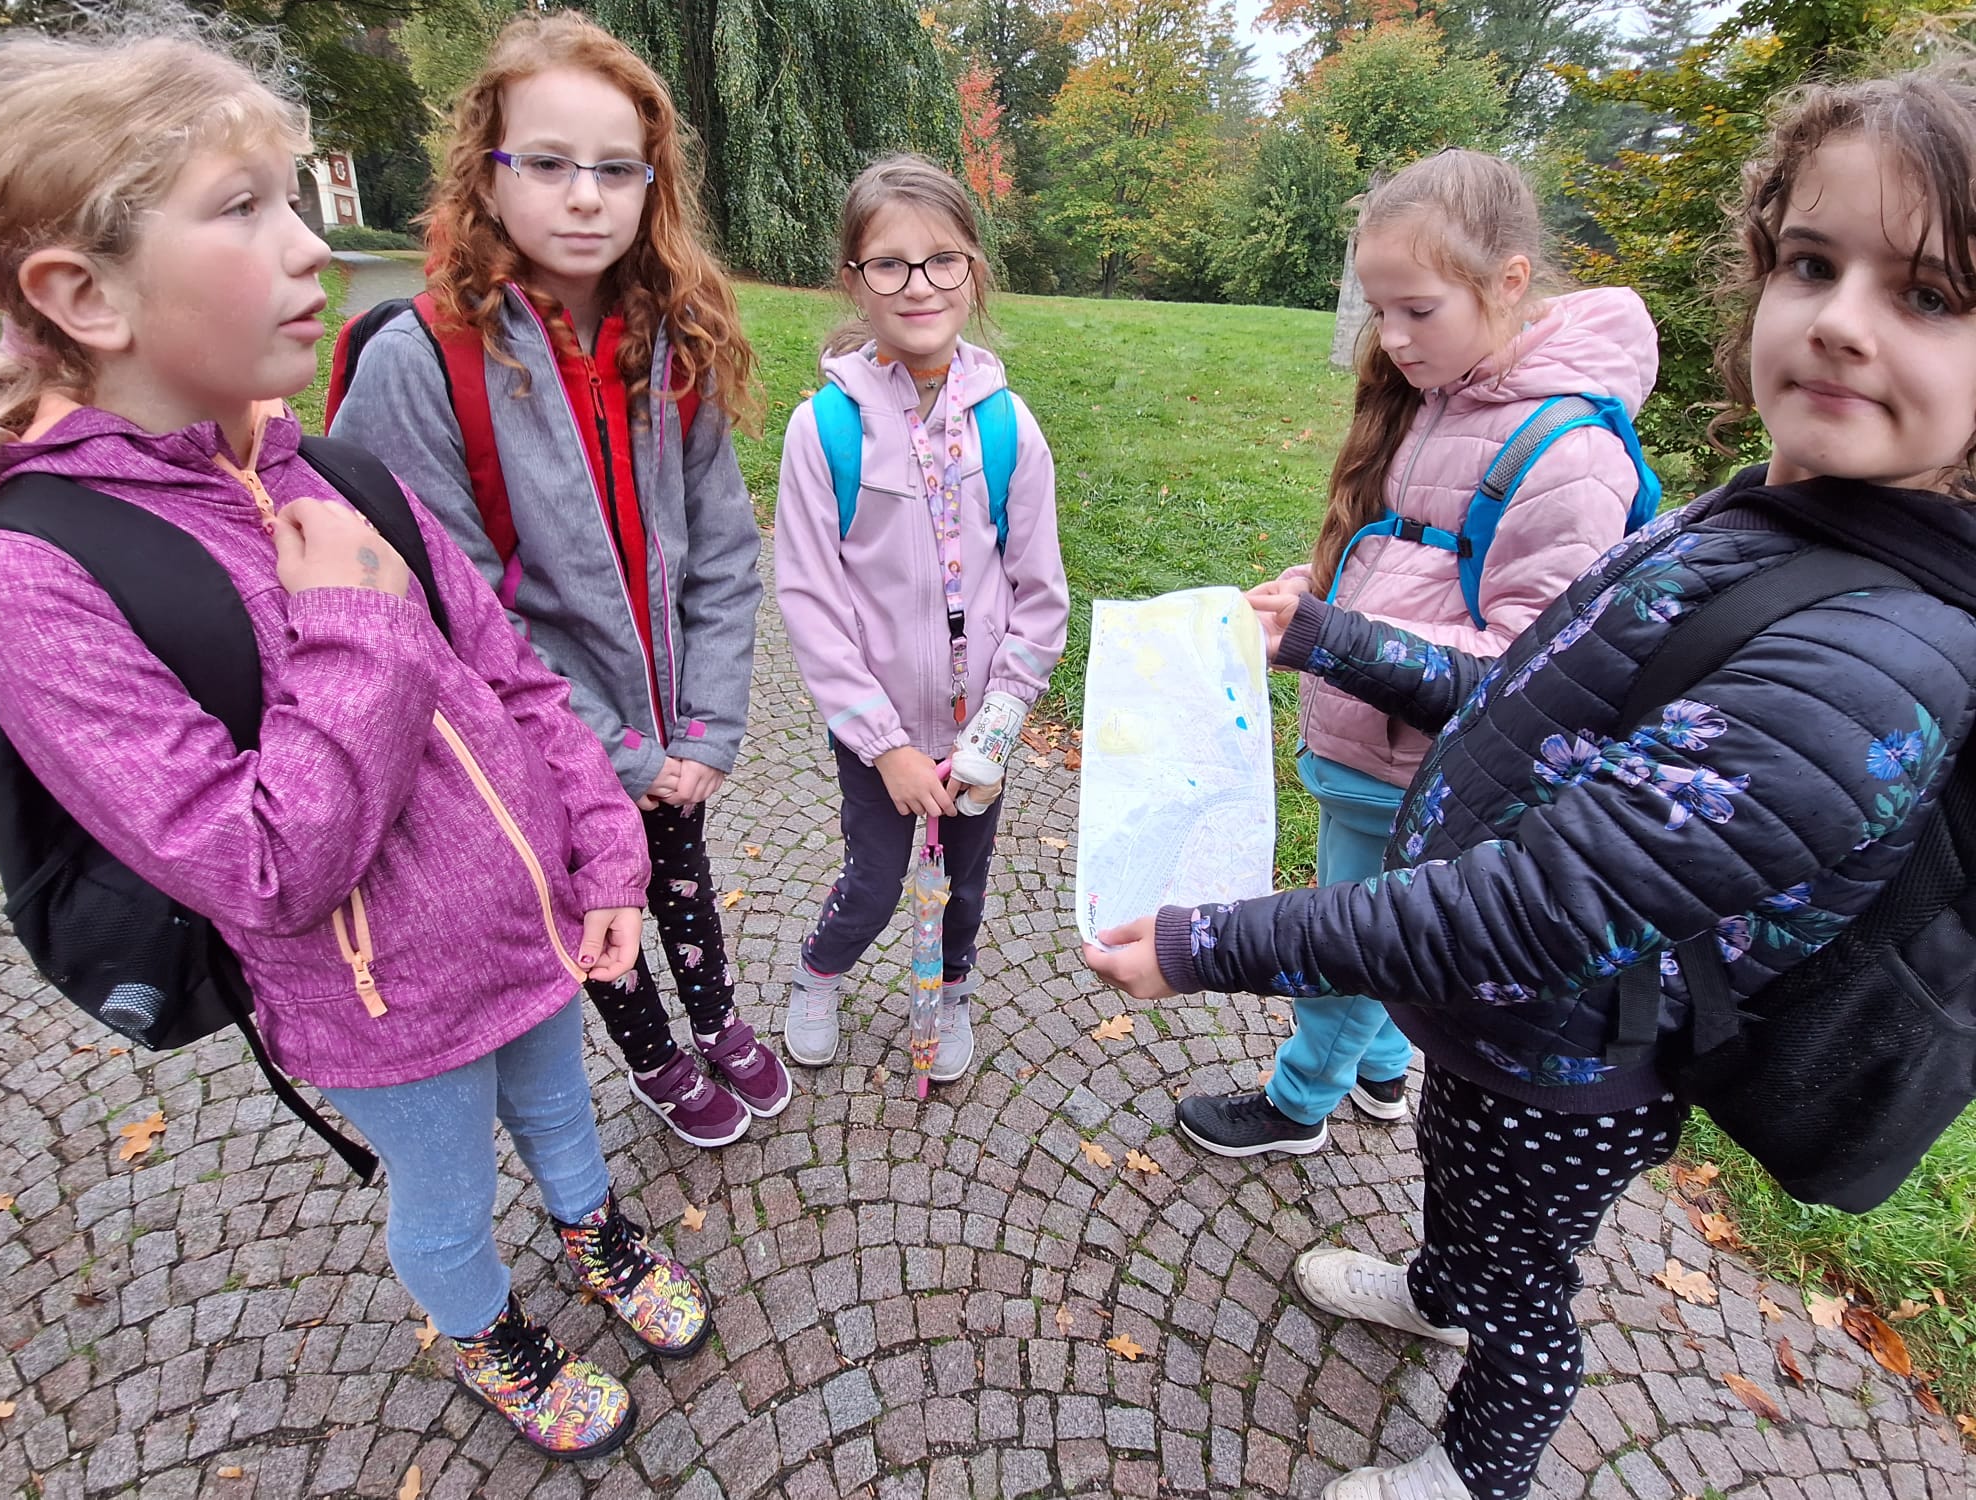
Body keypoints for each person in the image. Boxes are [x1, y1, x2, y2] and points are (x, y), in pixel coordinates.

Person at [1087, 67, 1976, 1500]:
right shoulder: (1766, 522)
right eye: (1812, 263)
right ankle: (1438, 1284)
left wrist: (1209, 943)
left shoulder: (1874, 653)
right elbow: (1534, 703)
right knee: (1464, 1190)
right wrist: (1325, 637)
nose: (1839, 320)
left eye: (1927, 294)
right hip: (1499, 1028)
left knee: (1525, 1284)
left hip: (1571, 1059)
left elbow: (1543, 904)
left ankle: (1479, 1462)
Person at [0, 22, 710, 1462]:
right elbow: (262, 866)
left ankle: (596, 1232)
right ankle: (486, 1330)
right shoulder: (32, 576)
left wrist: (604, 853)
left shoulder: (332, 469)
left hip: (529, 925)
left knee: (564, 1113)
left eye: (297, 199)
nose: (314, 246)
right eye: (245, 207)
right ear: (82, 293)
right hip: (376, 1003)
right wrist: (357, 630)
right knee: (443, 1197)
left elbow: (515, 680)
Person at [332, 11, 784, 1150]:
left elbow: (724, 551)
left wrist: (706, 727)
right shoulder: (422, 363)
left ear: (651, 186)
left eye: (615, 169)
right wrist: (616, 753)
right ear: (488, 174)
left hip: (671, 729)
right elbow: (453, 613)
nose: (585, 196)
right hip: (543, 740)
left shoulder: (668, 342)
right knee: (596, 900)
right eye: (546, 162)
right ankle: (652, 1052)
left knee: (682, 877)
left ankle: (715, 1017)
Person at [1175, 149, 1660, 1160]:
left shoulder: (1569, 457)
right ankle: (1384, 1065)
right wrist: (1312, 598)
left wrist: (1327, 636)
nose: (1391, 338)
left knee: (1358, 941)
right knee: (1391, 922)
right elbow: (1412, 556)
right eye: (1378, 309)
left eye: (1417, 310)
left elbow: (1525, 667)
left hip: (1419, 771)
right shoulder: (1452, 391)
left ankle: (1298, 1103)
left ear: (1508, 282)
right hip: (1373, 745)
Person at [773, 155, 1069, 1078]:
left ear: (973, 271)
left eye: (942, 260)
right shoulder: (824, 430)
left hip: (980, 733)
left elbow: (1040, 595)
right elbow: (811, 601)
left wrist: (998, 727)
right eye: (889, 264)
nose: (918, 285)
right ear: (854, 280)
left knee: (965, 886)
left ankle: (953, 990)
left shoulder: (1009, 427)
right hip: (881, 736)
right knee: (872, 881)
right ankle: (818, 974)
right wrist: (884, 744)